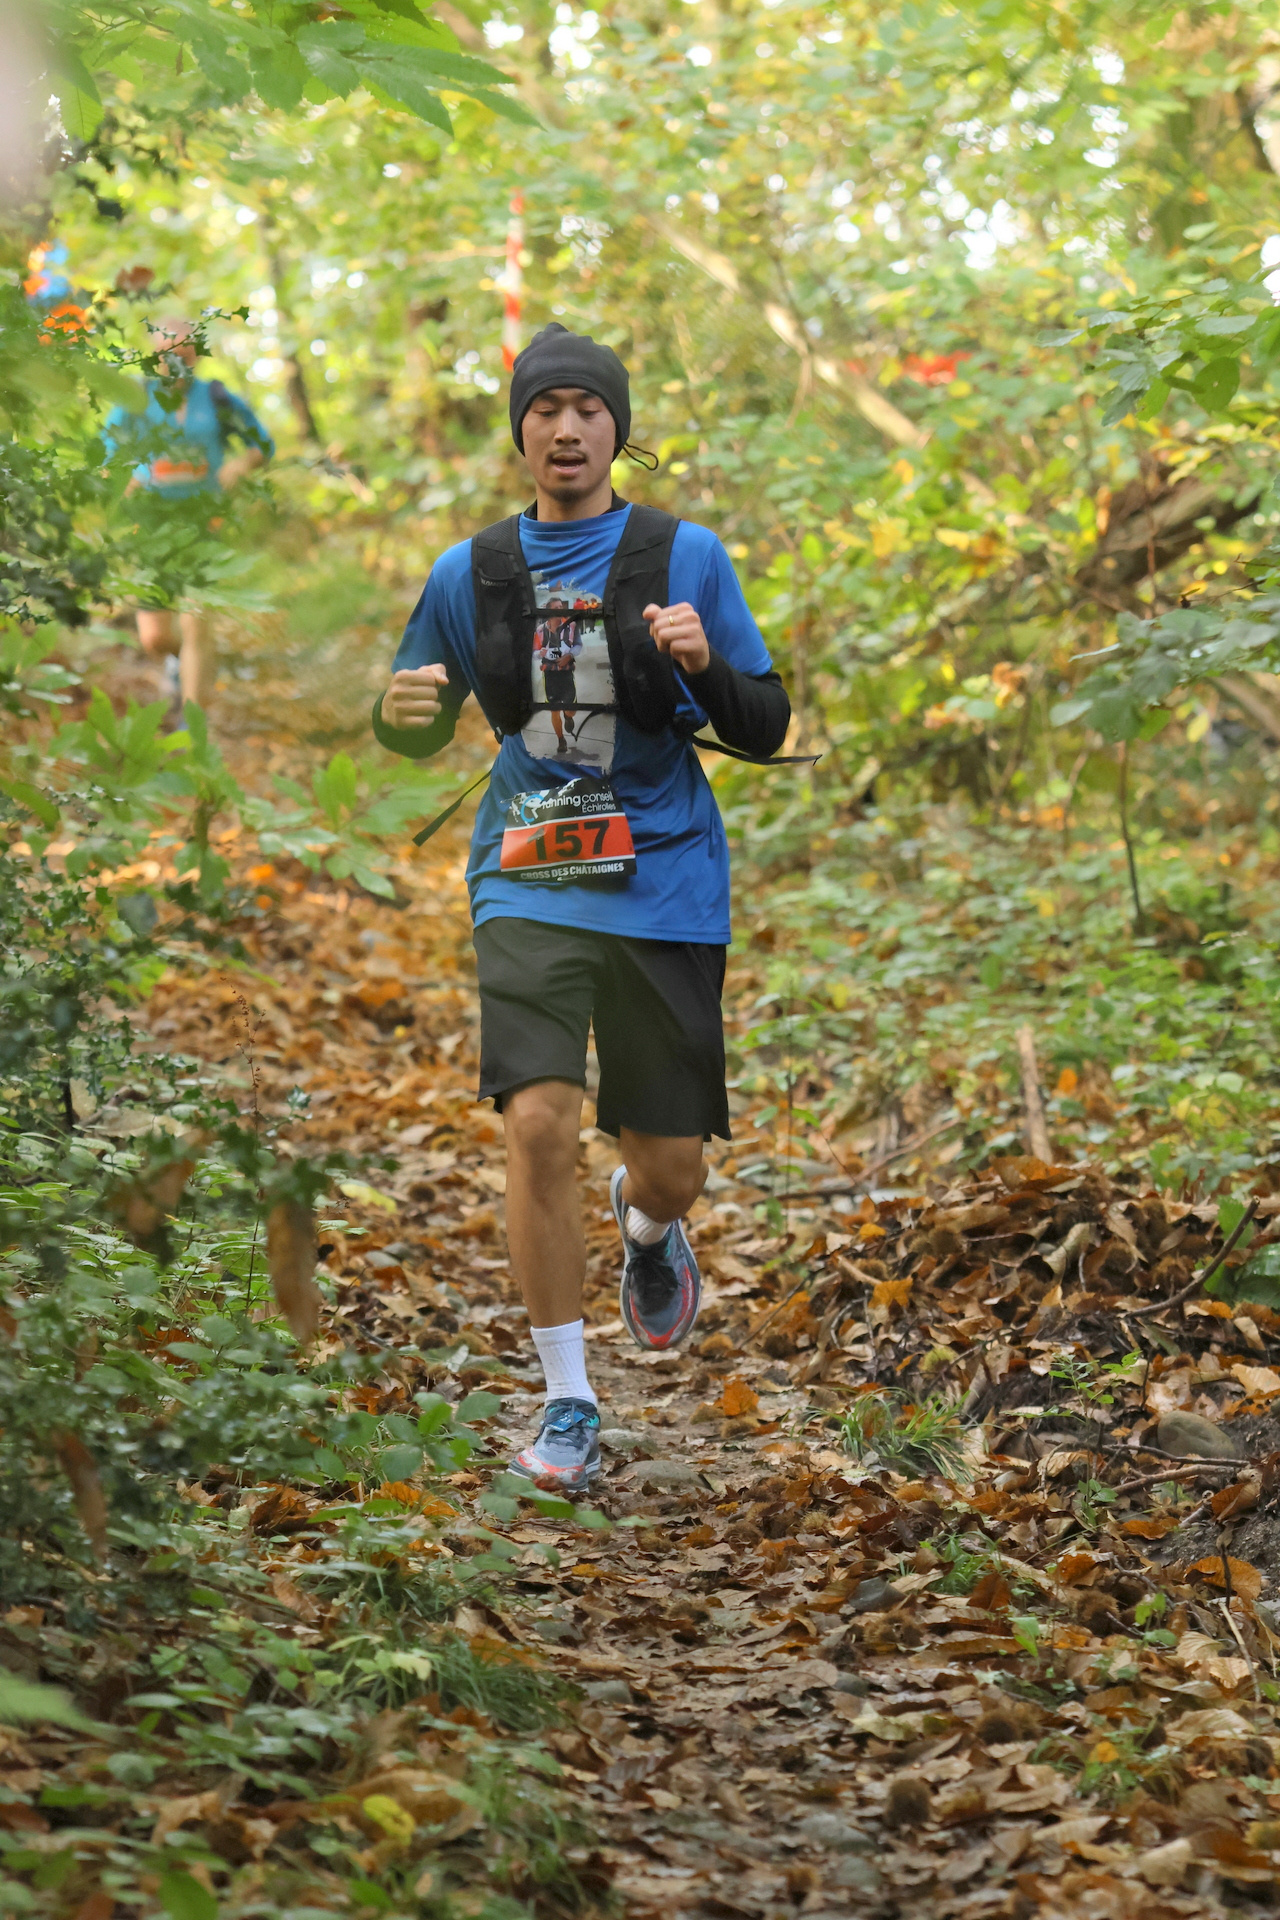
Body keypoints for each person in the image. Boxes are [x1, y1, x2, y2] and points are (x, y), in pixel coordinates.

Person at [373, 322, 790, 1490]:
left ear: (617, 429)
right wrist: (400, 714)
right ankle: (567, 1400)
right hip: (529, 874)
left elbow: (764, 724)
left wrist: (703, 666)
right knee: (538, 1122)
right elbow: (415, 722)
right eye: (544, 409)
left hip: (663, 880)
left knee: (670, 1167)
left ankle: (646, 1226)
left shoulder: (684, 554)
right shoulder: (468, 573)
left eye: (587, 409)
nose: (565, 428)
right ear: (520, 432)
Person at [103, 318, 274, 713]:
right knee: (155, 638)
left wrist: (240, 465)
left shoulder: (216, 398)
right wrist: (124, 479)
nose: (176, 361)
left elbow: (262, 444)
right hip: (150, 525)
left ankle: (195, 731)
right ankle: (181, 662)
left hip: (203, 520)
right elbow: (105, 455)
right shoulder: (135, 400)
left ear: (195, 355)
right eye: (168, 354)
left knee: (196, 623)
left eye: (184, 352)